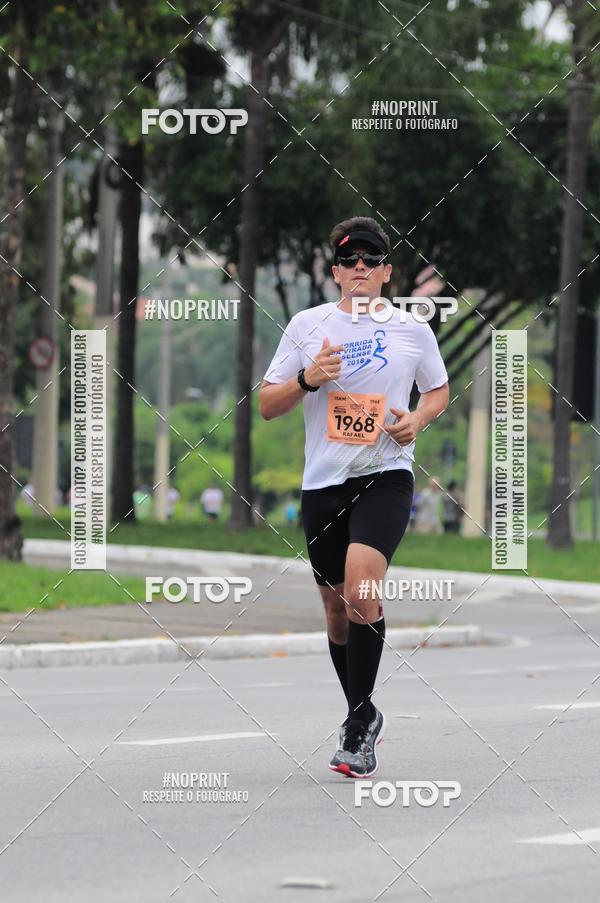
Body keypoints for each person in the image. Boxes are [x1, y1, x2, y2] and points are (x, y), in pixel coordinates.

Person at [259, 215, 449, 778]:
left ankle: (358, 728)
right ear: (336, 272)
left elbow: (437, 390)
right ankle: (362, 714)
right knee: (337, 614)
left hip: (385, 476)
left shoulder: (413, 329)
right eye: (349, 260)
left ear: (388, 272)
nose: (360, 268)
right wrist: (308, 380)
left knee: (363, 587)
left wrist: (417, 420)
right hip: (323, 484)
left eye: (371, 260)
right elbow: (267, 404)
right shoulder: (307, 326)